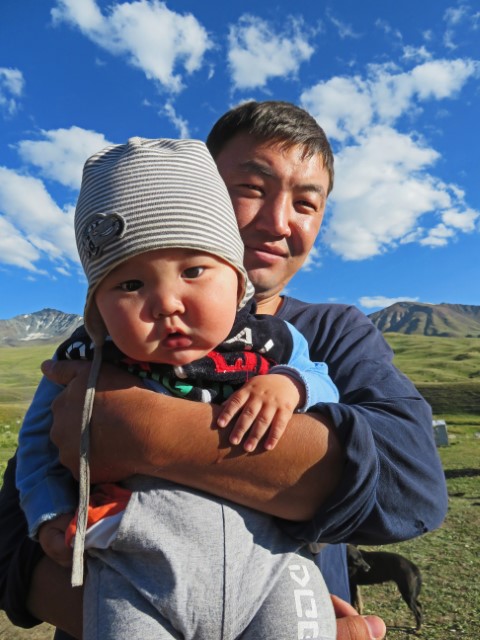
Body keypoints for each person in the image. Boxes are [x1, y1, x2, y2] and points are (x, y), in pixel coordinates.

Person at [0, 100, 448, 640]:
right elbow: (15, 519)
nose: (278, 222)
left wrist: (148, 430)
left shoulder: (326, 335)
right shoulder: (99, 346)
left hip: (278, 596)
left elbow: (413, 487)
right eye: (252, 189)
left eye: (306, 203)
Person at [16, 136, 339, 640]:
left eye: (193, 270)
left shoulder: (270, 341)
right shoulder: (83, 361)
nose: (166, 302)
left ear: (236, 280)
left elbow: (324, 383)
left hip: (273, 564)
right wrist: (49, 512)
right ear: (97, 307)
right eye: (129, 285)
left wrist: (290, 384)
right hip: (134, 572)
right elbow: (36, 446)